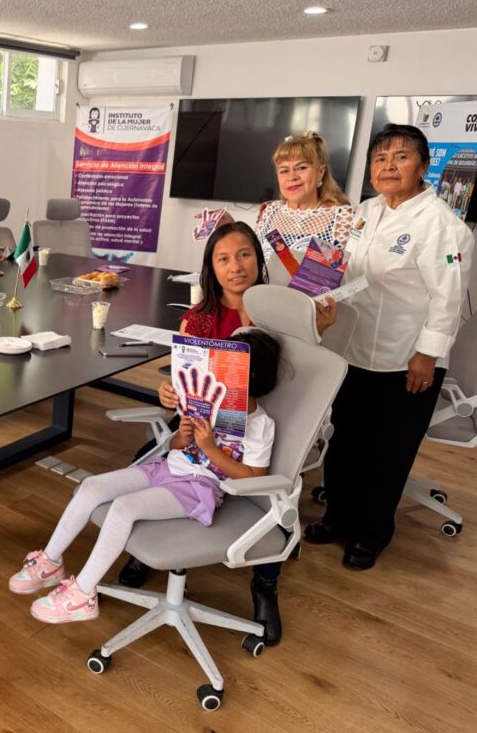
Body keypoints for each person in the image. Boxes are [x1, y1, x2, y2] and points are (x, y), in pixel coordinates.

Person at [117, 221, 334, 644]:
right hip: (204, 434)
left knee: (279, 492)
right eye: (223, 258)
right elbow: (183, 386)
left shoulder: (286, 313)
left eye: (244, 255)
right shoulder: (198, 321)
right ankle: (142, 555)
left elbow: (302, 382)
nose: (235, 266)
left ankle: (265, 583)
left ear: (259, 259)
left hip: (264, 427)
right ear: (211, 268)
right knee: (145, 457)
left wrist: (316, 334)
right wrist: (169, 393)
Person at [10, 330, 282, 625]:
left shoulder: (261, 425)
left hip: (199, 488)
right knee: (90, 486)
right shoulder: (207, 402)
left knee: (123, 508)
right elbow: (175, 446)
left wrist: (209, 448)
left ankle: (83, 595)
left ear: (253, 378)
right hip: (166, 468)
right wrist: (184, 435)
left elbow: (252, 476)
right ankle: (50, 562)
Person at [305, 124, 474, 570]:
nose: (388, 166)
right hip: (353, 349)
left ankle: (371, 533)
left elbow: (448, 298)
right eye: (379, 158)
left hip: (406, 359)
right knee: (344, 439)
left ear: (422, 165)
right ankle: (337, 517)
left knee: (387, 450)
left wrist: (427, 355)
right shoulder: (364, 212)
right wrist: (321, 296)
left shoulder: (443, 226)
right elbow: (356, 273)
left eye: (400, 157)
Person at [252, 131, 355, 256]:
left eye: (301, 168)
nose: (292, 177)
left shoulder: (343, 217)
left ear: (320, 172)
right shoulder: (269, 212)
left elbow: (352, 270)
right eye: (284, 171)